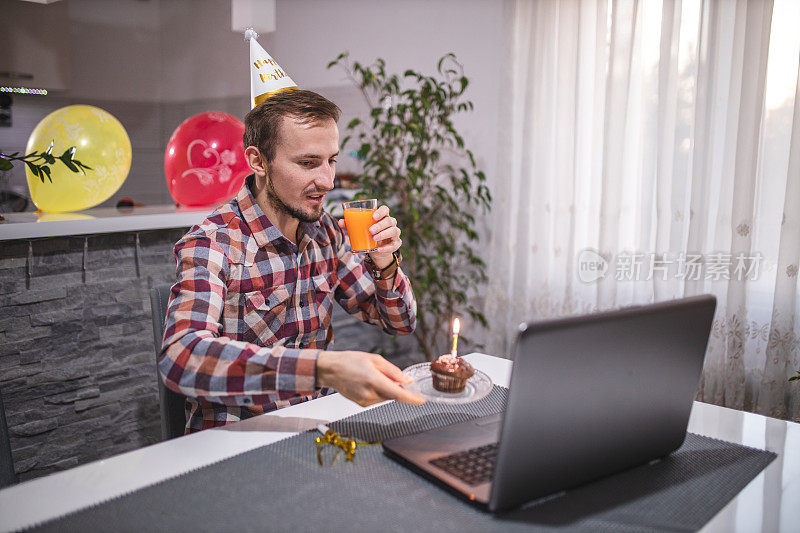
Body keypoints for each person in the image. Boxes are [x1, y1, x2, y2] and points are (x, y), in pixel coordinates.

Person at [158, 90, 424, 433]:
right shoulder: (213, 242)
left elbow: (399, 322)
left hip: (317, 430)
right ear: (258, 161)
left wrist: (385, 263)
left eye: (332, 160)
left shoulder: (325, 231)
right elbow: (180, 357)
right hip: (240, 441)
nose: (328, 181)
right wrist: (322, 369)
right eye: (308, 163)